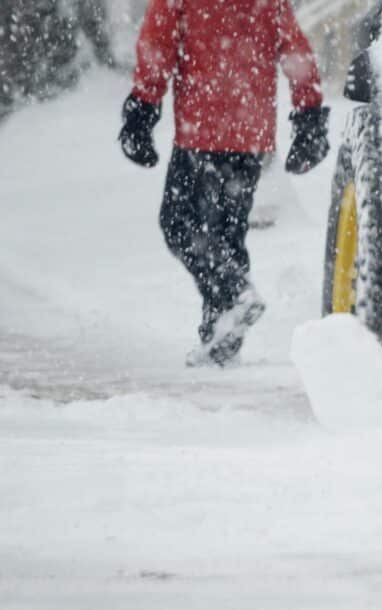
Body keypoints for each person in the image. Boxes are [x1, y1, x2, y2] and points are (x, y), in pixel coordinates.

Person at [118, 0, 330, 367]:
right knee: (226, 237)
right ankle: (220, 342)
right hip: (249, 134)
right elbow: (296, 51)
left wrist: (143, 108)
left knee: (178, 223)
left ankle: (234, 295)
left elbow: (158, 44)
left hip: (201, 130)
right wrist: (308, 114)